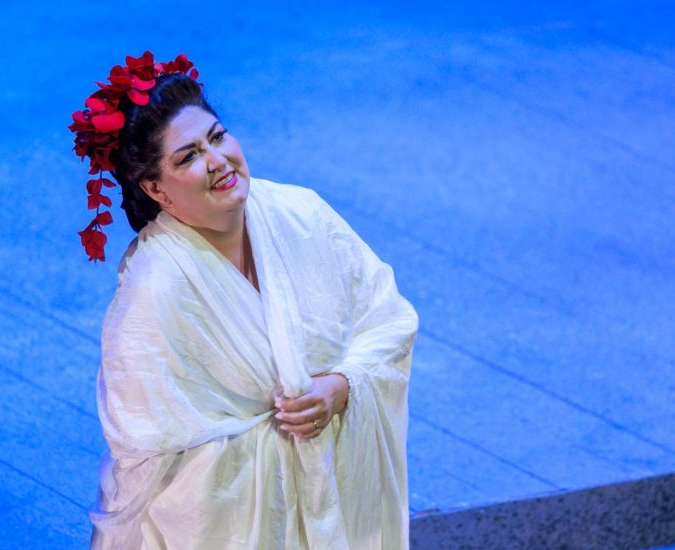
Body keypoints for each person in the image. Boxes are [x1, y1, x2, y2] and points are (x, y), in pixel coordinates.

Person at [71, 52, 418, 550]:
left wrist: (341, 386)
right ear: (156, 190)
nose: (217, 161)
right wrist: (277, 439)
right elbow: (149, 442)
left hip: (339, 493)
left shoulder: (300, 214)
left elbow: (388, 318)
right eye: (187, 157)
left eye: (217, 137)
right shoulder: (154, 288)